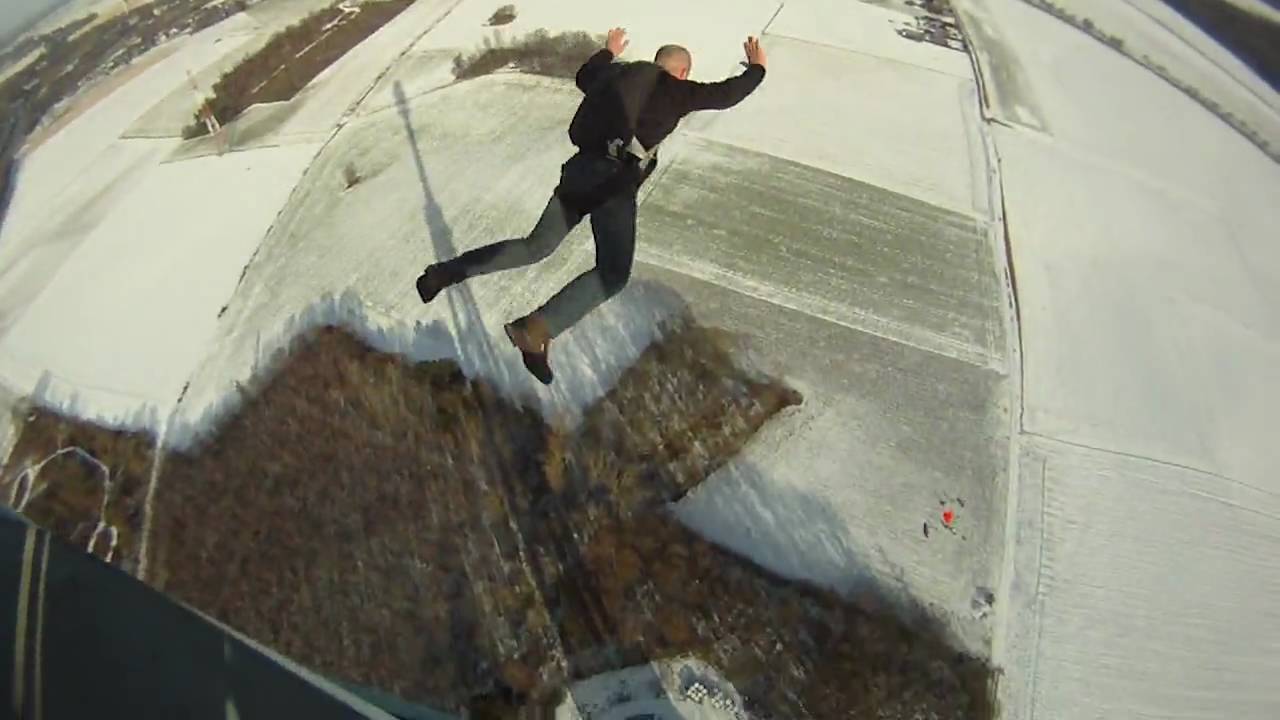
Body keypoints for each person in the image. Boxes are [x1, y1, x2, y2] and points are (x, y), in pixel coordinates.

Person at [416, 28, 768, 384]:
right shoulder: (674, 89)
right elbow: (727, 94)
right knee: (613, 274)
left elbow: (584, 75)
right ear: (682, 72)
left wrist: (608, 51)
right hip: (611, 185)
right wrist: (757, 68)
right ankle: (535, 330)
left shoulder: (615, 75)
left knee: (535, 246)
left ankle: (444, 273)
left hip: (579, 173)